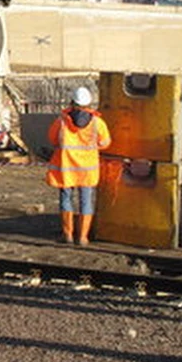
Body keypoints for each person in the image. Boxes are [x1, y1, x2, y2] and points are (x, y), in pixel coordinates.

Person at [46, 86, 111, 245]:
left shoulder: (61, 121)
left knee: (66, 199)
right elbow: (105, 143)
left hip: (66, 169)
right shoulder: (98, 123)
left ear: (72, 102)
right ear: (89, 103)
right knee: (86, 201)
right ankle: (82, 237)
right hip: (87, 171)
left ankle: (67, 235)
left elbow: (52, 139)